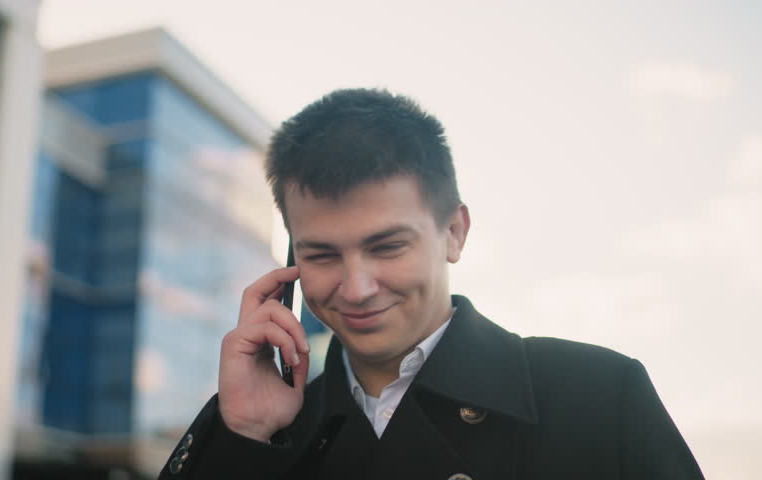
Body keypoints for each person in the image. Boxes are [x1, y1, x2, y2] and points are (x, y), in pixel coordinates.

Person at [158, 89, 704, 479]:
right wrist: (242, 438)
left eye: (387, 246)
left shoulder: (598, 395)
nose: (357, 287)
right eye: (322, 254)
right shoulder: (268, 433)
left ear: (454, 232)